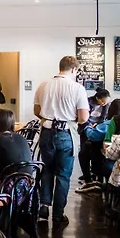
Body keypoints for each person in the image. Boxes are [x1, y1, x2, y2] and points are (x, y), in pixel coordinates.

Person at [34, 55, 89, 227]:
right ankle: (58, 214)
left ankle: (44, 207)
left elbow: (36, 110)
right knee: (63, 175)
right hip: (66, 133)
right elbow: (83, 118)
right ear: (73, 69)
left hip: (46, 131)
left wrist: (50, 117)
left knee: (47, 170)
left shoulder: (44, 85)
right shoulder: (77, 88)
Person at [76, 99, 120, 194]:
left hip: (109, 158)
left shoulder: (109, 124)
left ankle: (88, 179)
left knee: (84, 151)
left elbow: (93, 135)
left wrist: (88, 127)